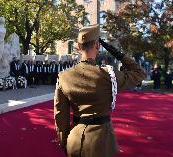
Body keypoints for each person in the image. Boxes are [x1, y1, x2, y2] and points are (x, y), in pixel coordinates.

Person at [54, 25, 146, 157]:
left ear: (78, 47)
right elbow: (139, 72)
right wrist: (115, 52)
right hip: (102, 143)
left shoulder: (63, 76)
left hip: (74, 142)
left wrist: (65, 143)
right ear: (97, 45)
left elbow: (60, 116)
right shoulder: (108, 76)